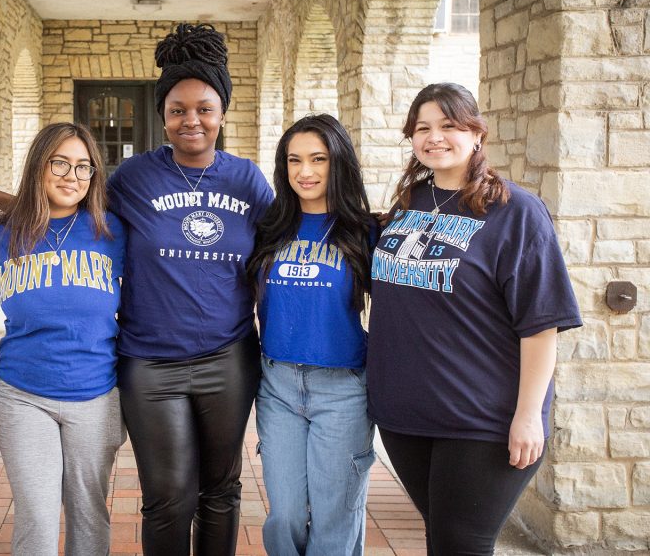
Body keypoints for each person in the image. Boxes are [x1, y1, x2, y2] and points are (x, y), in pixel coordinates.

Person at [367, 83, 582, 555]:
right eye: (423, 127)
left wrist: (528, 414)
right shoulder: (407, 205)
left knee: (462, 542)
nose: (434, 137)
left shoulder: (516, 213)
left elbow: (542, 323)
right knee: (442, 536)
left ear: (476, 133)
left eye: (448, 125)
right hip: (406, 414)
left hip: (484, 417)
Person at [108, 23, 274, 555]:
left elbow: (289, 238)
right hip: (149, 362)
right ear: (163, 115)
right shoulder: (132, 178)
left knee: (220, 491)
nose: (191, 120)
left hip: (228, 357)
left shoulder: (247, 180)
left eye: (204, 107)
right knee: (167, 495)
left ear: (222, 112)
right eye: (178, 109)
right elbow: (66, 210)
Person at [0, 122, 127, 556]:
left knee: (88, 513)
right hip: (25, 394)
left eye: (84, 167)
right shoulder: (0, 236)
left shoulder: (113, 232)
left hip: (96, 394)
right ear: (38, 166)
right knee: (38, 519)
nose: (72, 176)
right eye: (60, 163)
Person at [245, 114, 376, 555]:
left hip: (342, 389)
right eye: (294, 160)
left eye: (318, 159)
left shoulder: (364, 231)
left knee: (333, 516)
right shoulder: (269, 228)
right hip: (278, 385)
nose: (305, 171)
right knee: (283, 516)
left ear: (338, 163)